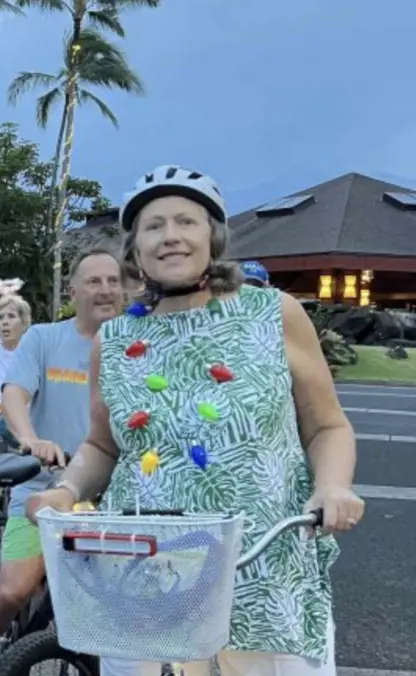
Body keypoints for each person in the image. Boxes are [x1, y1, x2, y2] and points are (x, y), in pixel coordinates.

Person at [26, 165, 364, 676]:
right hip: (146, 576)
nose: (171, 237)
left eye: (187, 221)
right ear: (134, 248)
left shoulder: (273, 313)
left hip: (266, 569)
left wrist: (333, 487)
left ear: (214, 236)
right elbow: (102, 447)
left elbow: (327, 427)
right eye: (154, 225)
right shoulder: (113, 342)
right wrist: (66, 489)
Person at [0, 248, 123, 675]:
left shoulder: (136, 346)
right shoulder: (45, 338)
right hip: (42, 487)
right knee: (15, 589)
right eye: (94, 281)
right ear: (73, 290)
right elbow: (15, 392)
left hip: (114, 495)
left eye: (114, 280)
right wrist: (31, 438)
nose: (105, 290)